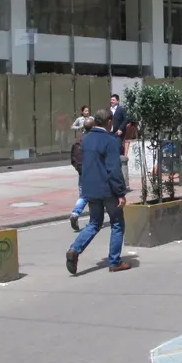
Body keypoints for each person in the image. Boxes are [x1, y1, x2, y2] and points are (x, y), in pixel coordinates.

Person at [66, 109, 130, 274]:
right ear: (109, 122)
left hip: (90, 188)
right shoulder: (110, 140)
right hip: (107, 189)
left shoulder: (85, 139)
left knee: (94, 223)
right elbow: (114, 169)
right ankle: (114, 261)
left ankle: (75, 249)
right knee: (117, 223)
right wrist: (120, 192)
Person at [69, 115, 94, 232]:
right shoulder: (94, 140)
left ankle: (75, 212)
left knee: (83, 194)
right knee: (93, 196)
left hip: (82, 173)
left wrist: (79, 169)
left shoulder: (79, 141)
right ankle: (93, 219)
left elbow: (72, 159)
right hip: (93, 172)